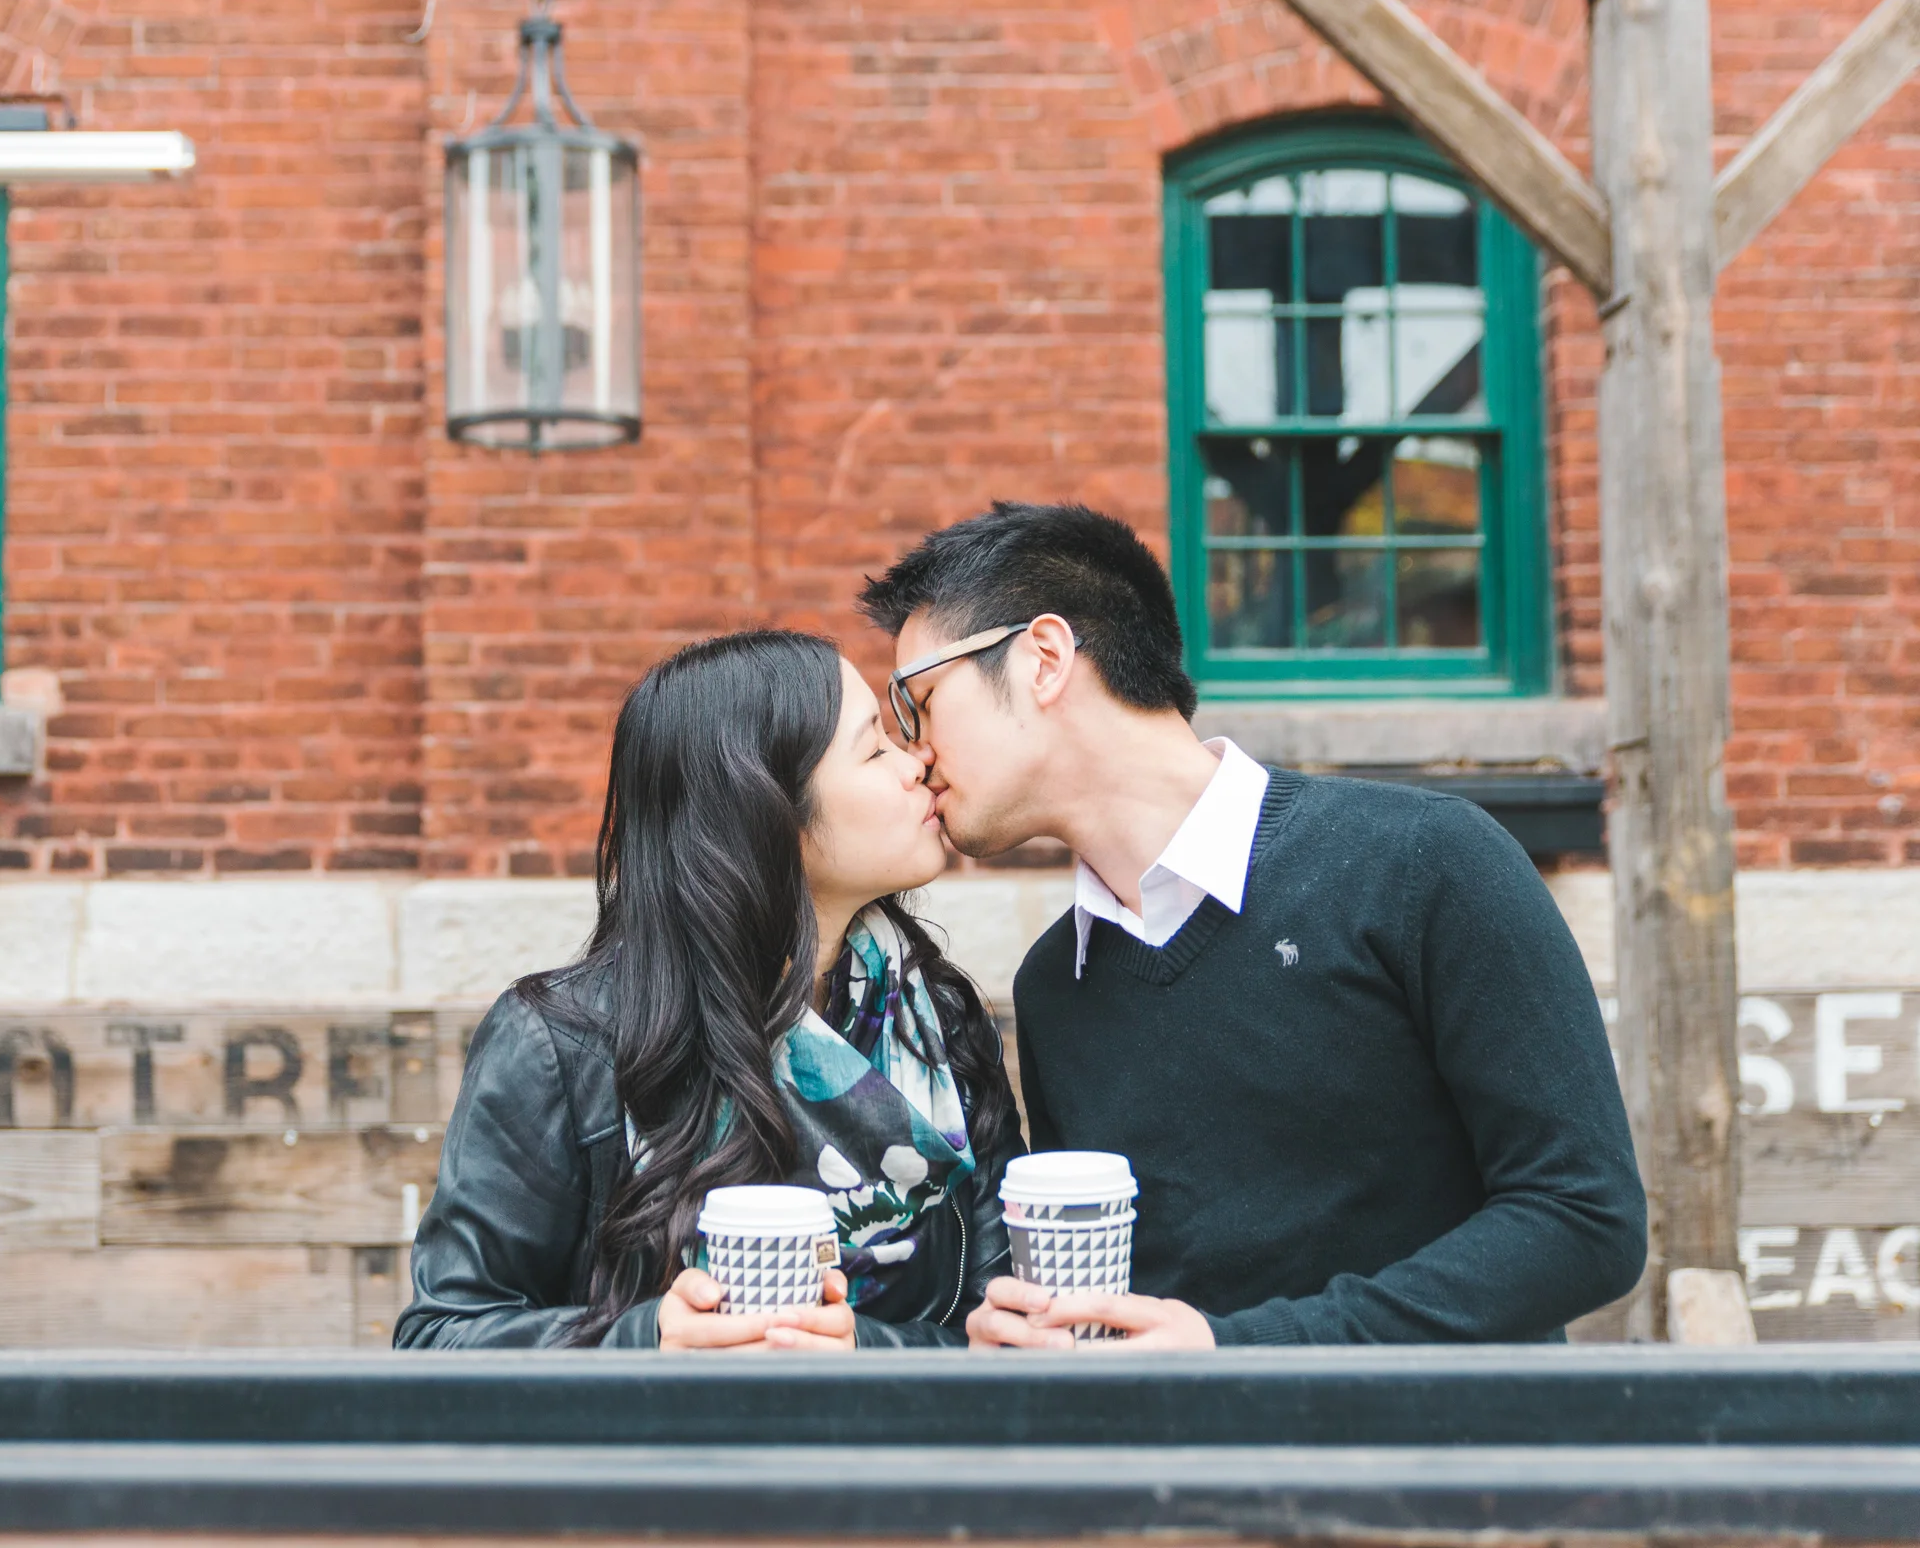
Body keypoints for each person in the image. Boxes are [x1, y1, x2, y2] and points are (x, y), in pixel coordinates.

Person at [857, 502, 1647, 1349]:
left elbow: (1585, 1219)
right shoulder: (1057, 984)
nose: (916, 752)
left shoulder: (1425, 861)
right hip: (1180, 1478)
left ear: (1045, 659)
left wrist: (1240, 1355)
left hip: (1449, 1472)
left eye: (920, 700)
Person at [396, 630, 1024, 1349]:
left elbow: (1001, 1330)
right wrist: (647, 1343)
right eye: (875, 747)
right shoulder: (560, 1046)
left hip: (890, 1459)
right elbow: (443, 1336)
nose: (916, 763)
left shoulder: (934, 1021)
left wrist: (864, 1353)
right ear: (767, 815)